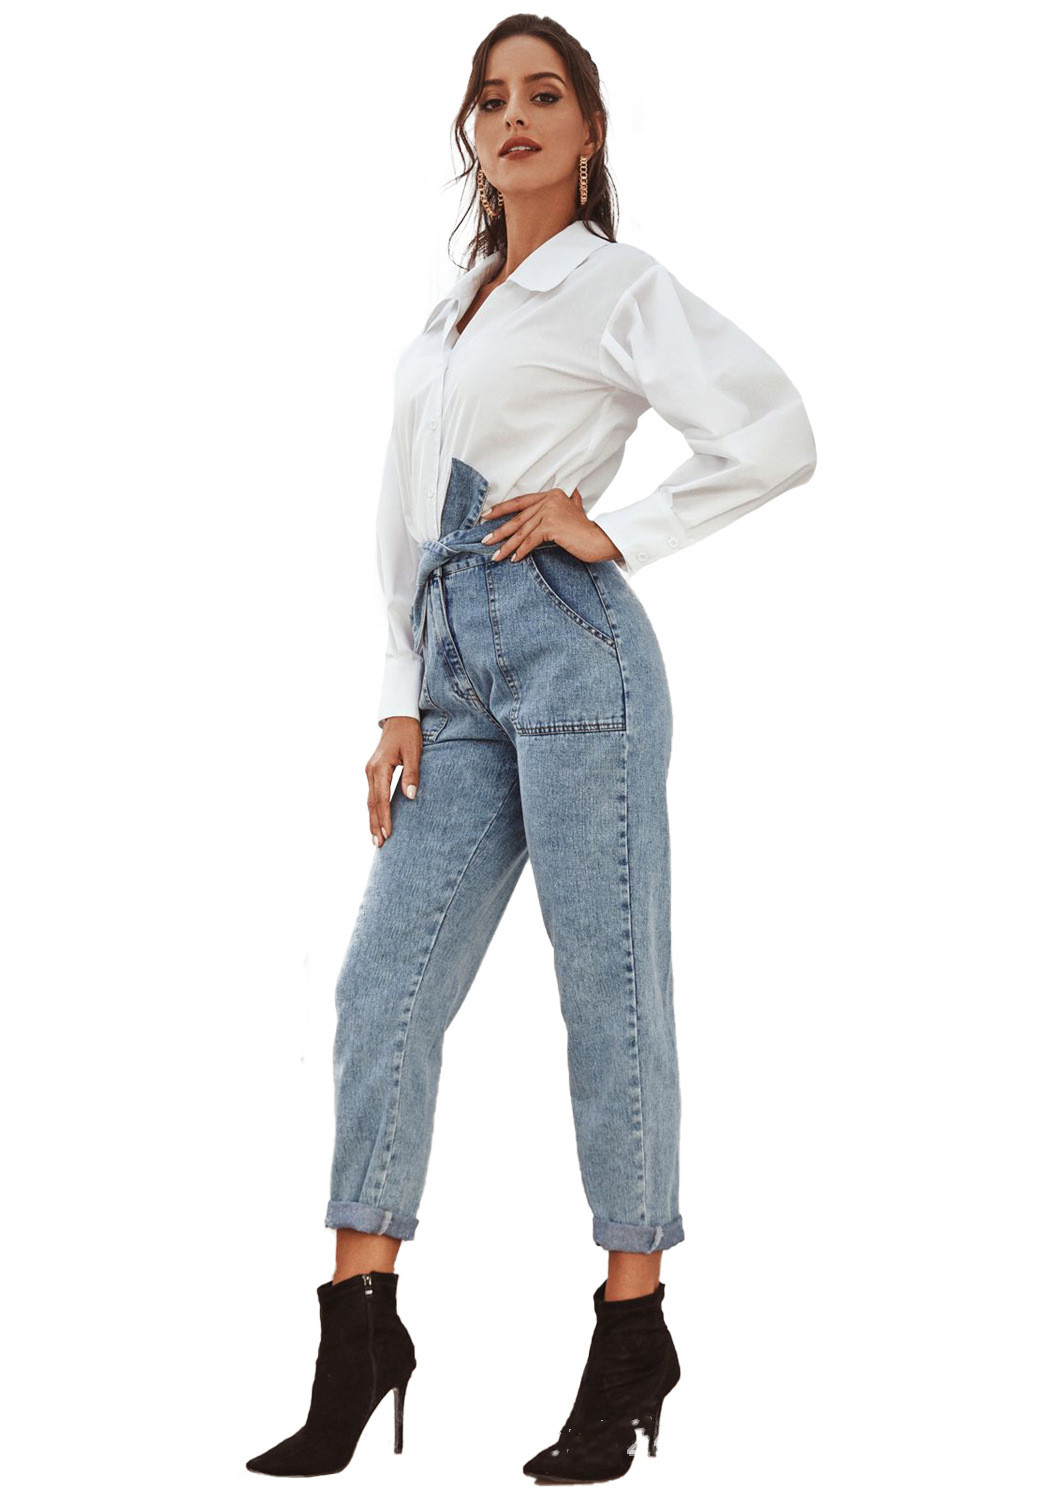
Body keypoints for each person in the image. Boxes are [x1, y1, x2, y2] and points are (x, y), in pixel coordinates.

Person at [247, 17, 816, 1485]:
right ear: (471, 131)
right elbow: (398, 517)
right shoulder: (448, 315)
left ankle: (633, 1333)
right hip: (453, 677)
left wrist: (615, 526)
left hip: (576, 656)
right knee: (383, 984)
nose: (514, 117)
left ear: (590, 129)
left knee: (607, 995)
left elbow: (774, 432)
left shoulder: (616, 285)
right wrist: (395, 697)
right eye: (491, 98)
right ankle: (358, 1333)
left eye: (543, 95)